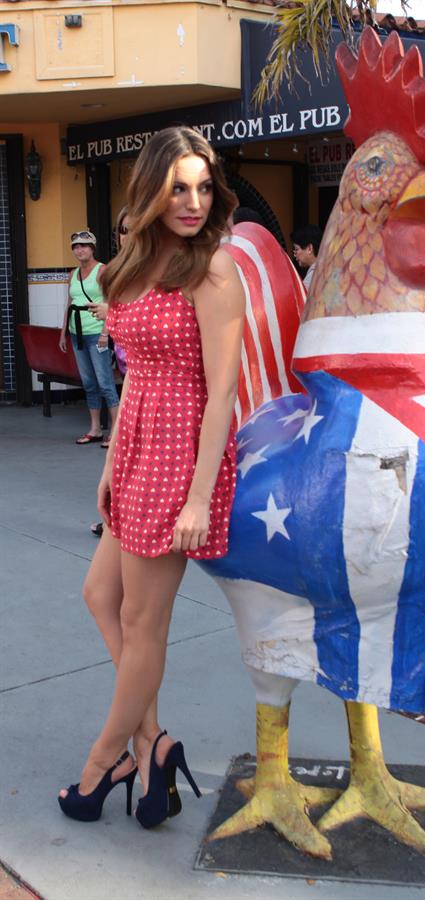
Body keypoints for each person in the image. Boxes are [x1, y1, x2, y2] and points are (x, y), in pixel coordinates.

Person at [57, 126, 244, 830]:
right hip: (137, 446)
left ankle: (107, 759)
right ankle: (153, 745)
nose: (193, 201)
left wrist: (199, 495)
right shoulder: (130, 267)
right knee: (99, 595)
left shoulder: (215, 270)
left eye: (203, 186)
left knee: (141, 622)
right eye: (179, 188)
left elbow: (222, 391)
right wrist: (110, 462)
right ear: (153, 192)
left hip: (183, 453)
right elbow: (132, 377)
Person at [89, 208, 130, 539]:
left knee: (105, 388)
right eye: (123, 230)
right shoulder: (120, 274)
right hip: (131, 373)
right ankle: (111, 516)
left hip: (159, 396)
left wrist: (109, 321)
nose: (128, 237)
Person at [59, 231, 119, 447]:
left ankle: (115, 430)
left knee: (105, 383)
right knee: (88, 383)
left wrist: (106, 332)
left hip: (97, 333)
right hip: (78, 334)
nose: (80, 249)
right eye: (76, 246)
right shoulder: (72, 274)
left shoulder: (102, 270)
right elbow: (69, 303)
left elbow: (111, 302)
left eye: (84, 245)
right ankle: (95, 428)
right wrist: (63, 332)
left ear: (93, 248)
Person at [290, 224, 323, 291]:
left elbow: (303, 301)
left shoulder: (313, 276)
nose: (294, 254)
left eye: (296, 249)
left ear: (309, 249)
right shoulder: (327, 268)